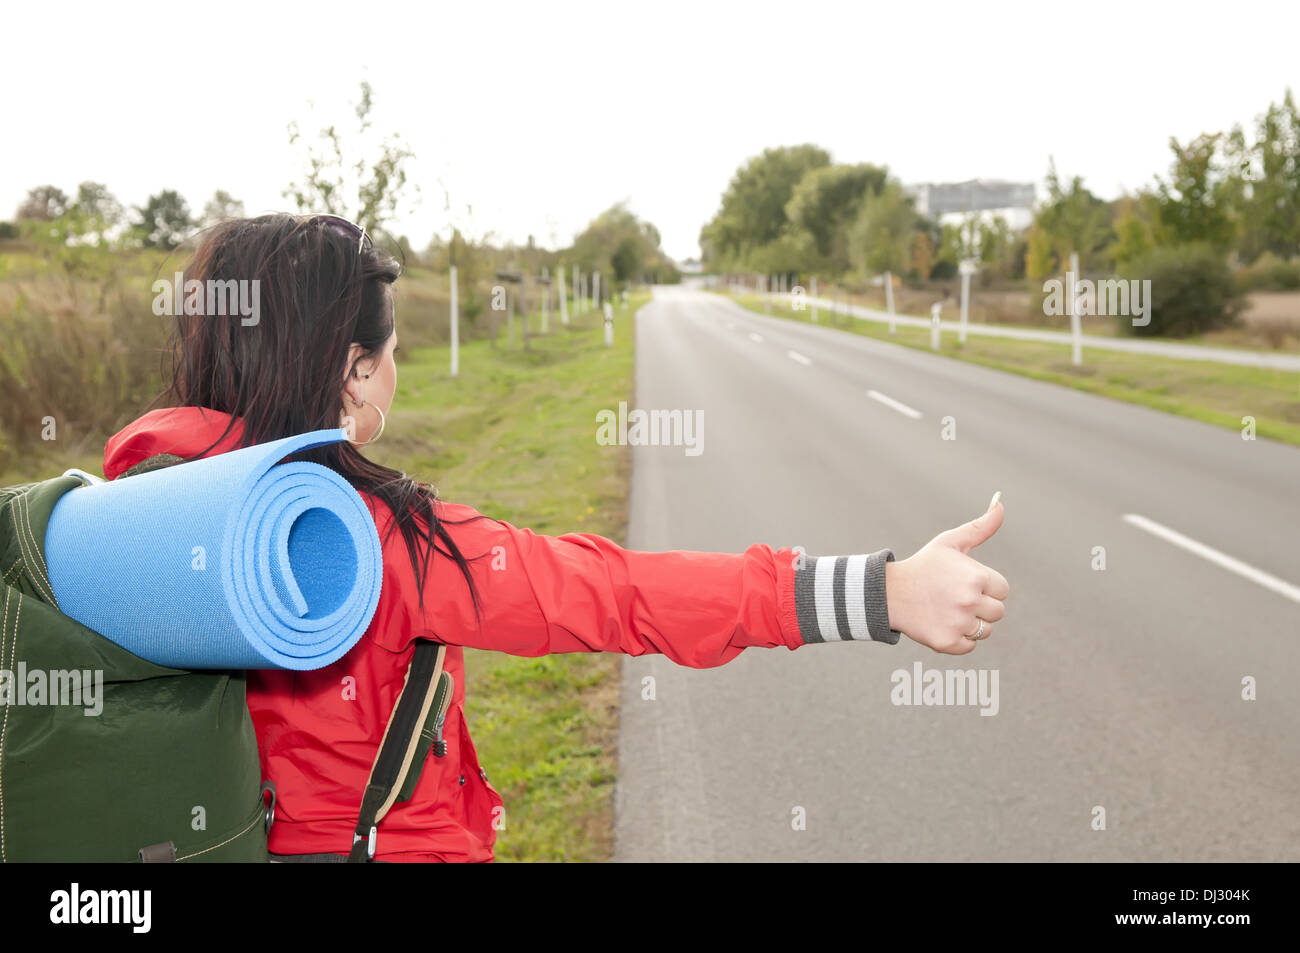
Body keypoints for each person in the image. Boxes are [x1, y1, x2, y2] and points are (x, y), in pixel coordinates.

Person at [102, 213, 1010, 862]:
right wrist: (884, 592)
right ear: (352, 372)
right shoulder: (371, 543)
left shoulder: (123, 510)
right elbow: (610, 592)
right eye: (387, 355)